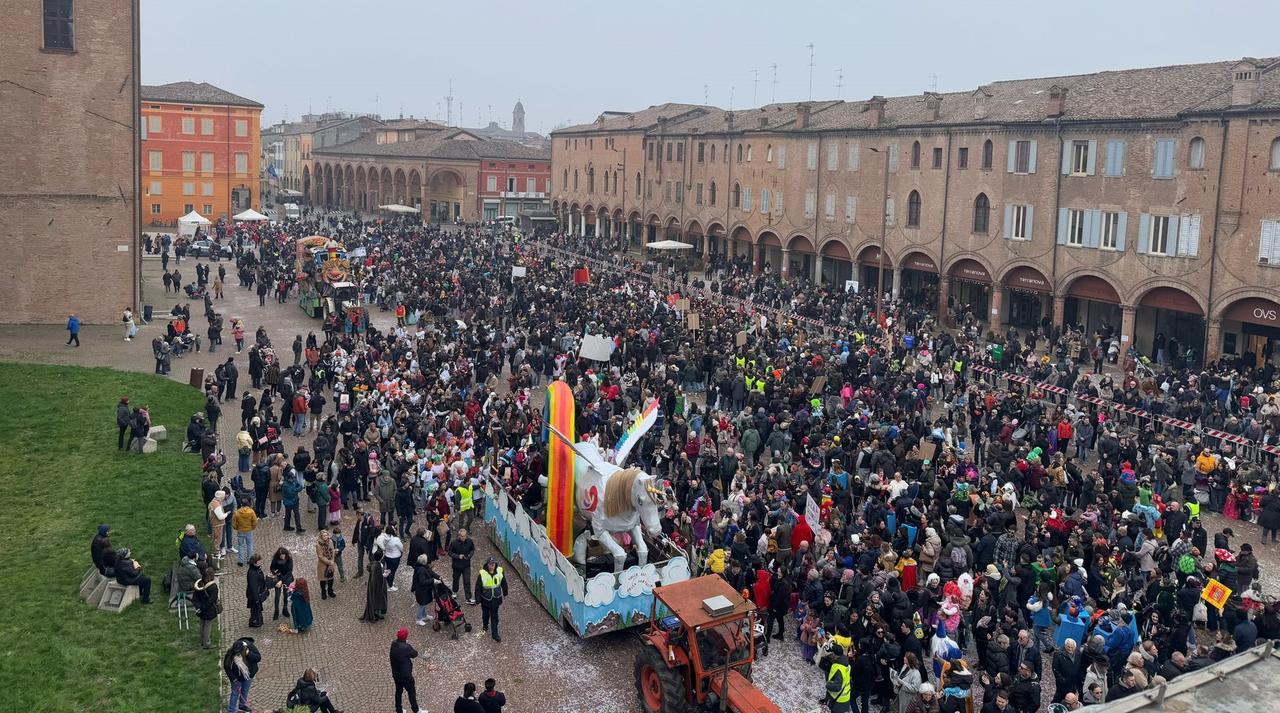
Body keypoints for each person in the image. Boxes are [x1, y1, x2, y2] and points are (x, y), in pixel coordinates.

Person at [222, 637, 261, 713]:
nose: (238, 655)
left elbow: (258, 658)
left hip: (248, 674)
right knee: (235, 693)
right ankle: (231, 711)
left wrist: (249, 654)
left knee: (245, 690)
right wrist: (234, 680)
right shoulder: (230, 653)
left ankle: (242, 705)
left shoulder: (250, 647)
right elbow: (227, 667)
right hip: (237, 678)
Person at [476, 556, 509, 642]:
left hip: (496, 599)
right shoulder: (482, 574)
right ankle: (485, 626)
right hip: (485, 599)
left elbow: (503, 582)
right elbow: (478, 587)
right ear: (487, 565)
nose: (492, 566)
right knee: (485, 615)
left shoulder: (500, 571)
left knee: (494, 616)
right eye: (490, 564)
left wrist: (505, 592)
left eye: (493, 564)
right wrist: (478, 598)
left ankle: (495, 634)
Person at [389, 628, 422, 713]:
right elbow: (415, 654)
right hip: (406, 676)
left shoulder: (393, 644)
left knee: (398, 691)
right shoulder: (406, 647)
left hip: (396, 674)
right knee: (411, 693)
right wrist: (408, 645)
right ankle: (416, 710)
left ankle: (398, 709)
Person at [192, 567, 219, 649]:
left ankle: (201, 642)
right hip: (209, 610)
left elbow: (194, 598)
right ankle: (206, 643)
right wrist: (203, 607)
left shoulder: (199, 584)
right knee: (207, 626)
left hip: (201, 609)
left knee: (202, 625)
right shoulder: (213, 587)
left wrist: (199, 607)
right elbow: (212, 600)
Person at [360, 550, 389, 622]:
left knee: (373, 598)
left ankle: (375, 612)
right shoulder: (379, 566)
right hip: (379, 586)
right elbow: (380, 577)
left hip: (372, 585)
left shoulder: (372, 564)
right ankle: (377, 614)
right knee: (380, 599)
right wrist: (386, 574)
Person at [824, 641, 852, 713]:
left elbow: (837, 687)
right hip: (845, 697)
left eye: (831, 653)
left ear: (835, 654)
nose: (830, 654)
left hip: (839, 700)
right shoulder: (845, 662)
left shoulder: (839, 668)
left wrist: (828, 685)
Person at [450, 528, 476, 604]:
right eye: (461, 536)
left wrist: (469, 556)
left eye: (464, 536)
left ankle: (468, 597)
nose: (463, 538)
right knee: (455, 579)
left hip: (466, 565)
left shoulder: (469, 541)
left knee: (467, 581)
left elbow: (472, 550)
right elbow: (450, 553)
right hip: (456, 565)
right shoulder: (454, 543)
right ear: (459, 536)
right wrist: (458, 556)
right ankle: (454, 591)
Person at [270, 547, 294, 621]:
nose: (282, 557)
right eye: (281, 555)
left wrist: (282, 581)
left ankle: (285, 609)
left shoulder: (289, 559)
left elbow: (289, 572)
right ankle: (276, 611)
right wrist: (275, 572)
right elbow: (272, 567)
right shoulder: (275, 559)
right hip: (278, 578)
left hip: (287, 578)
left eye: (283, 555)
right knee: (277, 595)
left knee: (286, 594)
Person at [245, 553, 268, 627]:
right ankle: (255, 622)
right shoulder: (252, 572)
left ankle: (256, 621)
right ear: (255, 562)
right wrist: (257, 598)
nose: (261, 562)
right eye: (259, 561)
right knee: (255, 609)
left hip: (257, 594)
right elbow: (253, 586)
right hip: (254, 595)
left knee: (256, 609)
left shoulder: (256, 569)